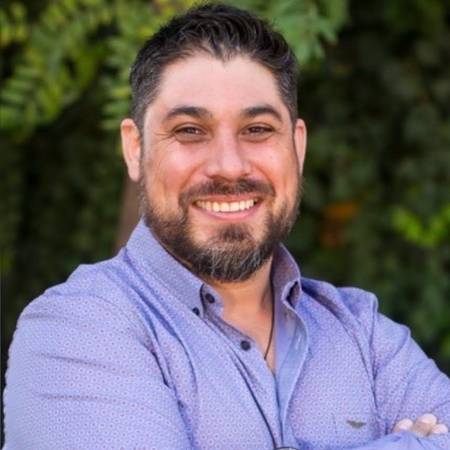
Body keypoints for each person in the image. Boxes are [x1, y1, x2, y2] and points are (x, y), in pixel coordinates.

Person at [3, 4, 449, 449]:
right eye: (190, 130)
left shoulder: (362, 332)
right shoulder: (74, 331)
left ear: (297, 147)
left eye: (257, 129)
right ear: (135, 149)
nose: (229, 166)